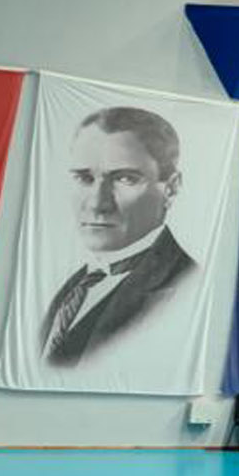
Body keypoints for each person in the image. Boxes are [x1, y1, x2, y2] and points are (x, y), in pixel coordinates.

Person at [40, 107, 195, 366]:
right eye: (84, 178)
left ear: (171, 188)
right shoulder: (72, 286)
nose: (97, 204)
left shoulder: (184, 288)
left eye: (125, 179)